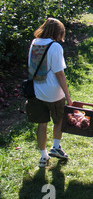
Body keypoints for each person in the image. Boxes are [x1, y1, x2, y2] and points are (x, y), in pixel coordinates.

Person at [26, 18, 73, 168]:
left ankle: (43, 156)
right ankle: (56, 147)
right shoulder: (55, 47)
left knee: (42, 123)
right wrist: (67, 95)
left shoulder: (34, 43)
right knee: (59, 119)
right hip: (53, 91)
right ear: (58, 32)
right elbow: (59, 73)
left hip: (37, 90)